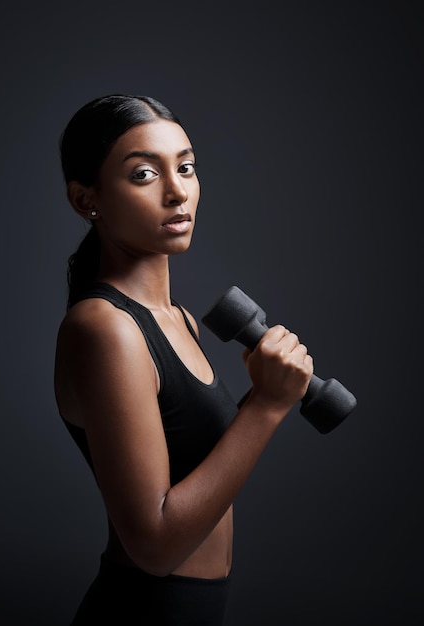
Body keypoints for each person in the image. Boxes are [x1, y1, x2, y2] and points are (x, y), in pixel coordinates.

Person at [54, 94, 313, 625]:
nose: (178, 192)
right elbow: (155, 545)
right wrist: (264, 406)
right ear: (87, 200)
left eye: (187, 167)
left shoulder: (182, 321)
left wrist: (262, 396)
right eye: (145, 174)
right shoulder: (106, 329)